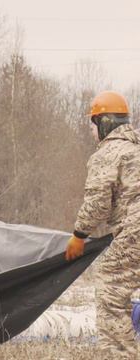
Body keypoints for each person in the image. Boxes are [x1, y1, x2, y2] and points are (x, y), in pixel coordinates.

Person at [64, 91, 140, 357]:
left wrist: (79, 234)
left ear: (104, 122)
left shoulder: (108, 153)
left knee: (111, 289)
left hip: (135, 230)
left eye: (93, 125)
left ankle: (119, 354)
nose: (92, 132)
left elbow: (98, 203)